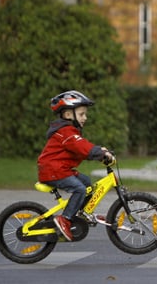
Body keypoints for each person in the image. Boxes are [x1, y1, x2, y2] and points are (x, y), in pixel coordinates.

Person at [37, 90, 114, 241]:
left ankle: (80, 213)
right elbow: (82, 147)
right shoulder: (66, 132)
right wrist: (98, 152)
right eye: (81, 114)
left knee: (86, 183)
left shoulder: (70, 132)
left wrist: (100, 151)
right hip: (53, 171)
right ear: (68, 115)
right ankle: (65, 219)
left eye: (85, 114)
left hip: (60, 170)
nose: (85, 117)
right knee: (80, 189)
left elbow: (81, 149)